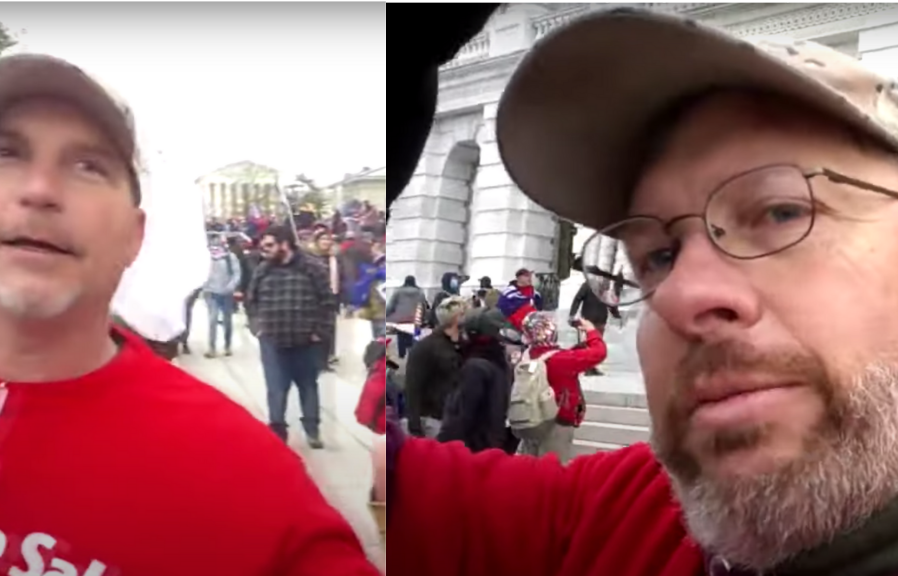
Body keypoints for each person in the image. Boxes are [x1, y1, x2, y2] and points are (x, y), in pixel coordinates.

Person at [377, 7, 898, 575]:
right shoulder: (617, 519)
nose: (678, 294)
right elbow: (390, 491)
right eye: (658, 257)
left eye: (781, 211)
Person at [0, 53, 377, 576]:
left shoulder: (244, 483)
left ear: (136, 235)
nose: (40, 191)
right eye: (3, 153)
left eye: (89, 166)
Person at [246, 224, 337, 448]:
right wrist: (257, 327)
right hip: (272, 343)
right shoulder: (263, 270)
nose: (263, 250)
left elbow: (328, 303)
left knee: (307, 386)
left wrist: (319, 332)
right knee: (276, 389)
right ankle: (277, 433)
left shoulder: (312, 268)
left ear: (284, 244)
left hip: (305, 343)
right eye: (262, 246)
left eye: (269, 245)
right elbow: (251, 301)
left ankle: (312, 429)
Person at [516, 312, 606, 461]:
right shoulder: (562, 360)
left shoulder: (525, 355)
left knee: (528, 468)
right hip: (557, 422)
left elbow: (553, 357)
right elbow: (599, 353)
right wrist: (591, 331)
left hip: (531, 419)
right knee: (553, 471)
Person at [437, 307, 514, 453]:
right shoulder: (500, 362)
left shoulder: (475, 367)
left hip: (473, 449)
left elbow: (461, 416)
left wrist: (441, 446)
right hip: (493, 446)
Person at [402, 295, 466, 439]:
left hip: (457, 420)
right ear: (457, 318)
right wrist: (415, 426)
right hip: (434, 420)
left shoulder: (462, 345)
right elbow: (413, 387)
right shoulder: (425, 348)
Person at [569, 280, 622, 375]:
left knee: (593, 343)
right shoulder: (591, 284)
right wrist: (572, 315)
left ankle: (590, 367)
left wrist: (615, 313)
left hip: (596, 318)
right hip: (591, 319)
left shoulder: (599, 285)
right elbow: (578, 298)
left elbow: (611, 301)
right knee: (591, 343)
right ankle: (587, 367)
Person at [201, 234, 241, 358]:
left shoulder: (230, 257)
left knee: (227, 320)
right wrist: (204, 286)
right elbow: (201, 273)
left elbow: (236, 273)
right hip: (211, 293)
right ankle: (211, 348)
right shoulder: (206, 257)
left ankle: (227, 346)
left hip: (226, 293)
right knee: (212, 320)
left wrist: (231, 286)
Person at [310, 229, 341, 370]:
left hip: (332, 297)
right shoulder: (312, 258)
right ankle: (315, 360)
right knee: (317, 330)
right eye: (323, 239)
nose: (326, 242)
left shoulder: (333, 258)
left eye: (328, 239)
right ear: (317, 241)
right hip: (315, 298)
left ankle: (325, 360)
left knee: (329, 330)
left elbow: (341, 277)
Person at [385, 275, 428, 358]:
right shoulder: (420, 292)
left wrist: (386, 314)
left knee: (401, 336)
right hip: (415, 319)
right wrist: (424, 317)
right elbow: (423, 306)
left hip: (401, 318)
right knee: (415, 337)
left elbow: (391, 305)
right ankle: (413, 354)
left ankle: (402, 354)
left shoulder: (398, 291)